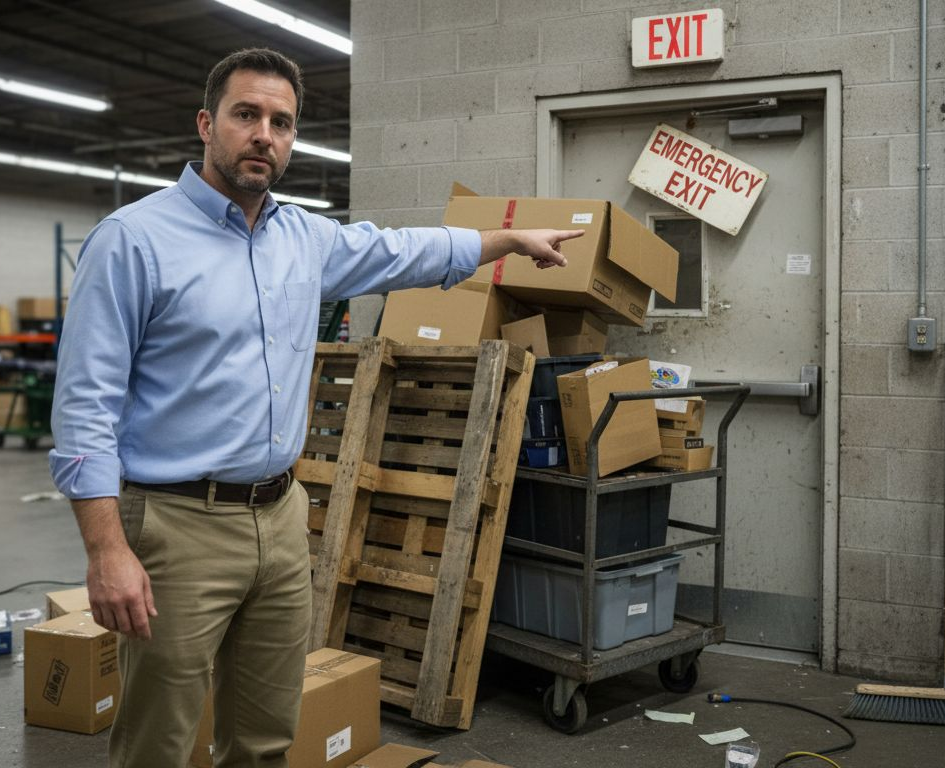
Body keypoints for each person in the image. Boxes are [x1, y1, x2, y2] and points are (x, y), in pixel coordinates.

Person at [49, 47, 581, 768]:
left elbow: (403, 251)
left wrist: (507, 240)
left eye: (282, 122)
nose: (264, 134)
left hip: (281, 515)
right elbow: (85, 408)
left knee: (267, 734)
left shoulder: (304, 239)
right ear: (207, 124)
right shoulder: (133, 241)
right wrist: (106, 550)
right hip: (176, 526)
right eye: (246, 115)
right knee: (159, 742)